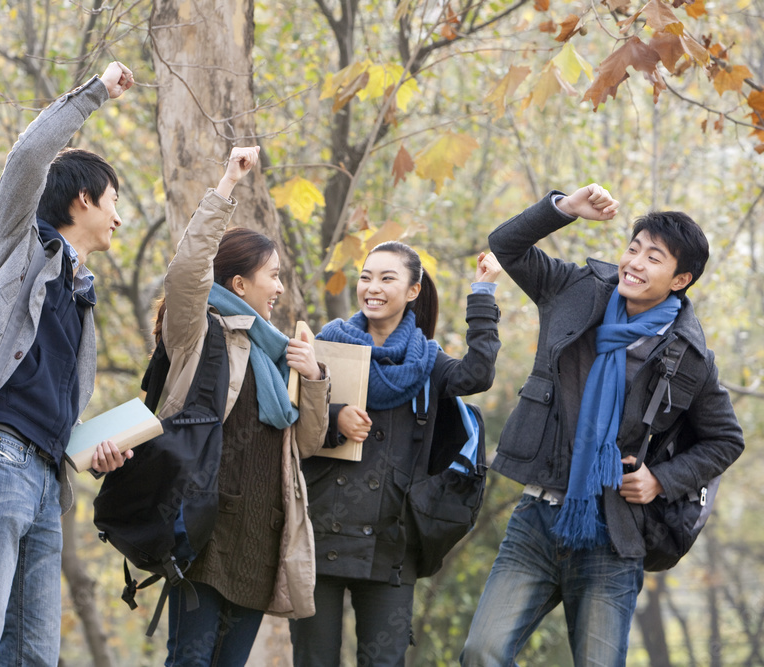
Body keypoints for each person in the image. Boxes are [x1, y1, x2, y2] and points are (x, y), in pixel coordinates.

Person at [461, 185, 745, 666]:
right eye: (633, 248)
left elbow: (725, 439)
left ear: (680, 280)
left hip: (614, 534)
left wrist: (661, 480)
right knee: (481, 651)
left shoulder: (690, 357)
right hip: (537, 519)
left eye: (654, 257)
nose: (634, 263)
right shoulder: (575, 290)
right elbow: (506, 246)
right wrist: (565, 208)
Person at [0, 62, 136, 665]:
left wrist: (91, 449)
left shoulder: (80, 291)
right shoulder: (15, 246)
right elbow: (27, 159)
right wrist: (95, 93)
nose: (119, 218)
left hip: (48, 479)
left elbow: (50, 397)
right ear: (84, 198)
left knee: (33, 659)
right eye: (114, 201)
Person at [152, 145, 331, 666]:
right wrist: (227, 184)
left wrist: (313, 377)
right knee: (190, 659)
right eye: (272, 275)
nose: (279, 287)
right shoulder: (198, 332)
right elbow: (187, 271)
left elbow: (306, 443)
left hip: (261, 539)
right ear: (238, 283)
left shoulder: (277, 355)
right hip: (205, 530)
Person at [288, 241, 503, 667]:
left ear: (412, 290)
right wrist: (334, 418)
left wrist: (483, 293)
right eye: (366, 277)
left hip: (391, 544)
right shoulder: (329, 345)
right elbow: (290, 420)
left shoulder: (428, 361)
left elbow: (477, 375)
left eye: (387, 278)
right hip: (320, 534)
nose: (372, 287)